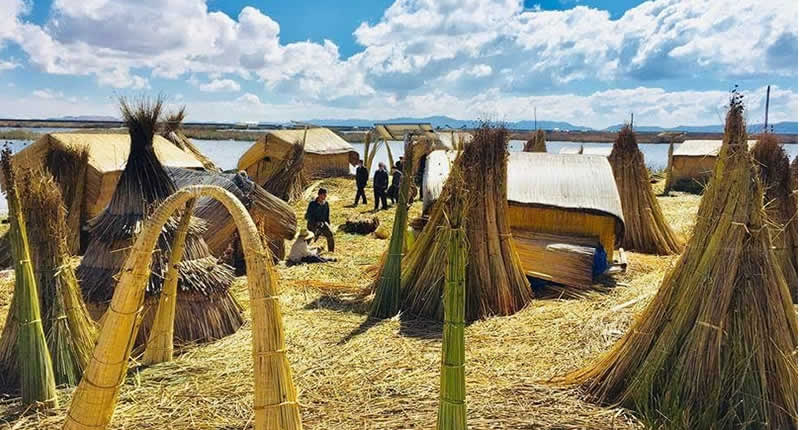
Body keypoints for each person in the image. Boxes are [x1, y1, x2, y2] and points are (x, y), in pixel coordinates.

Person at [305, 188, 335, 252]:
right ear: (319, 195)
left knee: (330, 234)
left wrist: (328, 225)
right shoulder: (312, 204)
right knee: (310, 237)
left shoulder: (326, 204)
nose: (325, 196)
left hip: (322, 223)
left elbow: (327, 216)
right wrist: (315, 223)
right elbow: (308, 216)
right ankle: (303, 249)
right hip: (312, 224)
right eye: (324, 194)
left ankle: (331, 251)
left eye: (325, 195)